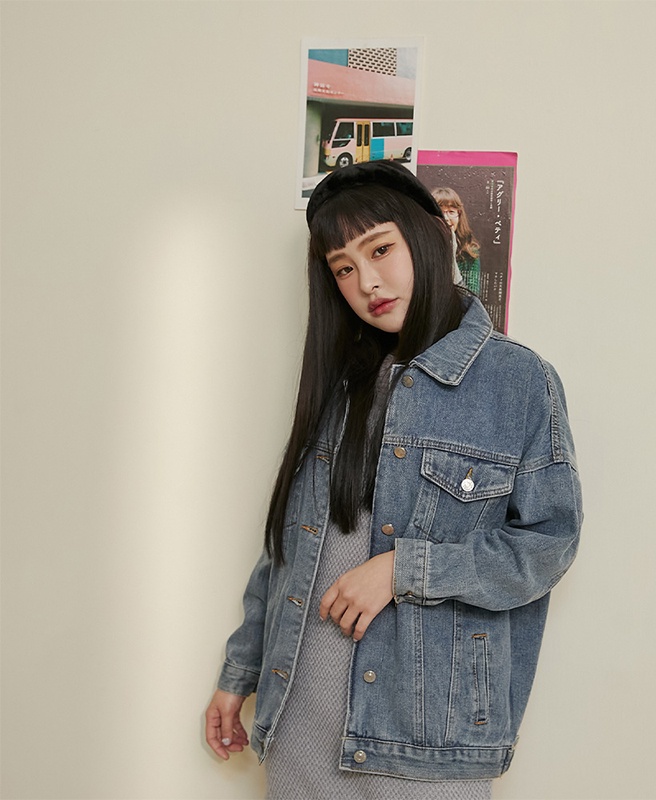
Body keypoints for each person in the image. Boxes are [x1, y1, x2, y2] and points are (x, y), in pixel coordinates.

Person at [204, 160, 582, 799]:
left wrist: (404, 570)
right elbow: (289, 549)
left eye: (380, 249)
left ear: (432, 235)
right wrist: (239, 671)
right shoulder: (340, 385)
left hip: (424, 740)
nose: (366, 282)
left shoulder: (518, 383)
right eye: (343, 268)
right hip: (298, 722)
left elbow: (548, 546)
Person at [432, 186, 481, 295]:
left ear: (459, 215)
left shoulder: (470, 253)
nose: (446, 218)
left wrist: (451, 256)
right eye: (440, 212)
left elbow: (471, 298)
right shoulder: (421, 248)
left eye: (451, 211)